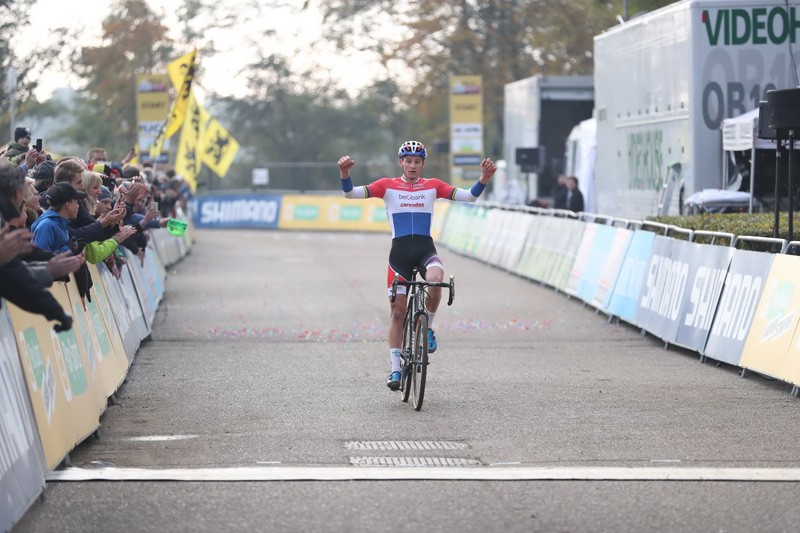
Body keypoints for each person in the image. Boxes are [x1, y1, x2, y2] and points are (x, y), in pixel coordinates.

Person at [337, 140, 496, 390]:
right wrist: (345, 173)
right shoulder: (386, 186)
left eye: (417, 161)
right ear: (401, 162)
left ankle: (428, 328)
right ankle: (395, 370)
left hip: (425, 250)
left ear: (423, 164)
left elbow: (469, 197)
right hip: (399, 256)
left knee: (436, 277)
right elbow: (350, 194)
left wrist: (484, 177)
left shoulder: (433, 186)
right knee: (398, 313)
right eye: (408, 161)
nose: (412, 165)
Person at [31, 182, 86, 253]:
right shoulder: (47, 225)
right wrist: (68, 250)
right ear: (68, 205)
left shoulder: (60, 223)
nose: (78, 206)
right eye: (76, 202)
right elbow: (41, 259)